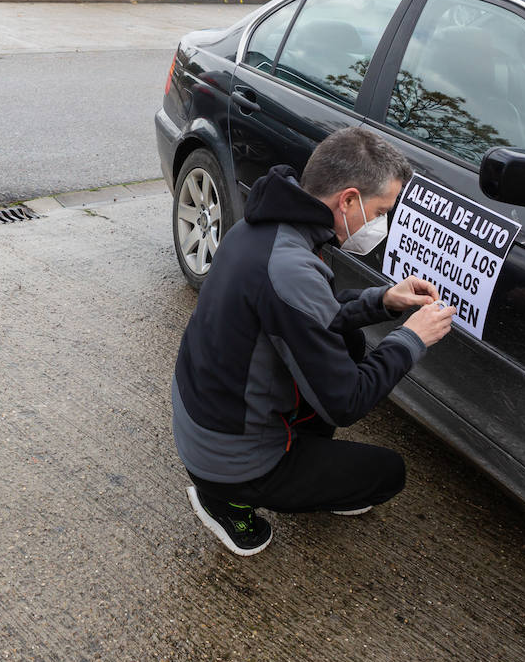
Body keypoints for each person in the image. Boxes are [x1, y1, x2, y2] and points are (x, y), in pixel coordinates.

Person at [171, 127, 456, 556]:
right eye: (380, 211)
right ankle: (225, 502)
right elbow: (347, 401)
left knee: (351, 346)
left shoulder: (262, 228)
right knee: (387, 474)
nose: (381, 223)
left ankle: (300, 463)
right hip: (230, 456)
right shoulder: (290, 267)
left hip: (208, 413)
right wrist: (411, 339)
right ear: (348, 200)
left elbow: (312, 312)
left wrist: (383, 300)